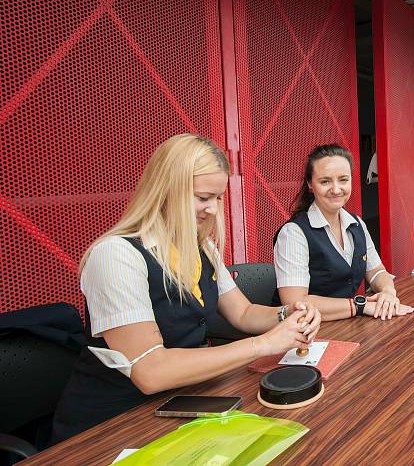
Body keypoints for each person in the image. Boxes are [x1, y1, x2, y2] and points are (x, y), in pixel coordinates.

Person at [51, 134, 321, 443]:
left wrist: (289, 314)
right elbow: (150, 372)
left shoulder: (202, 247)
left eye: (218, 198)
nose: (214, 210)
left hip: (181, 404)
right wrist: (262, 345)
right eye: (203, 197)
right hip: (108, 428)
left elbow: (244, 313)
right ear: (166, 189)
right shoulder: (115, 256)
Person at [273, 144, 414, 321]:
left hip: (345, 326)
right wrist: (360, 306)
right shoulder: (293, 233)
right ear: (310, 184)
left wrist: (387, 293)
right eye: (325, 181)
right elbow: (295, 303)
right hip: (303, 334)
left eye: (343, 180)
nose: (336, 189)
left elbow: (377, 272)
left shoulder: (357, 224)